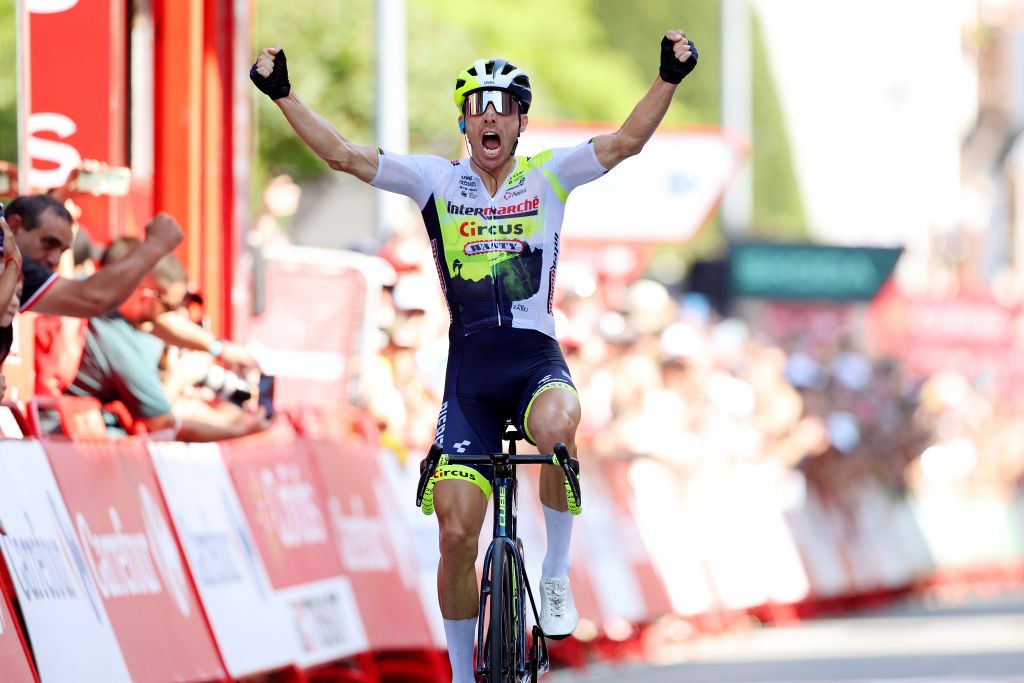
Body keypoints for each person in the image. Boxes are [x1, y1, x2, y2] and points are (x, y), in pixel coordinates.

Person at [251, 28, 697, 681]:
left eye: (504, 106)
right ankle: (463, 673)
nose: (490, 115)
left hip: (535, 360)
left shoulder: (550, 175)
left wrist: (669, 76)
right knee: (456, 533)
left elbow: (625, 141)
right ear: (464, 121)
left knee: (558, 425)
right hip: (469, 378)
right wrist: (284, 94)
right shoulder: (436, 180)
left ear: (519, 121)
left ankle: (550, 573)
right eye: (478, 106)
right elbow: (346, 156)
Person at [67, 237, 270, 441]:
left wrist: (219, 349)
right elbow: (164, 424)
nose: (176, 315)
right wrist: (241, 431)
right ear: (145, 299)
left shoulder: (85, 286)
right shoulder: (125, 349)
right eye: (170, 307)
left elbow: (160, 323)